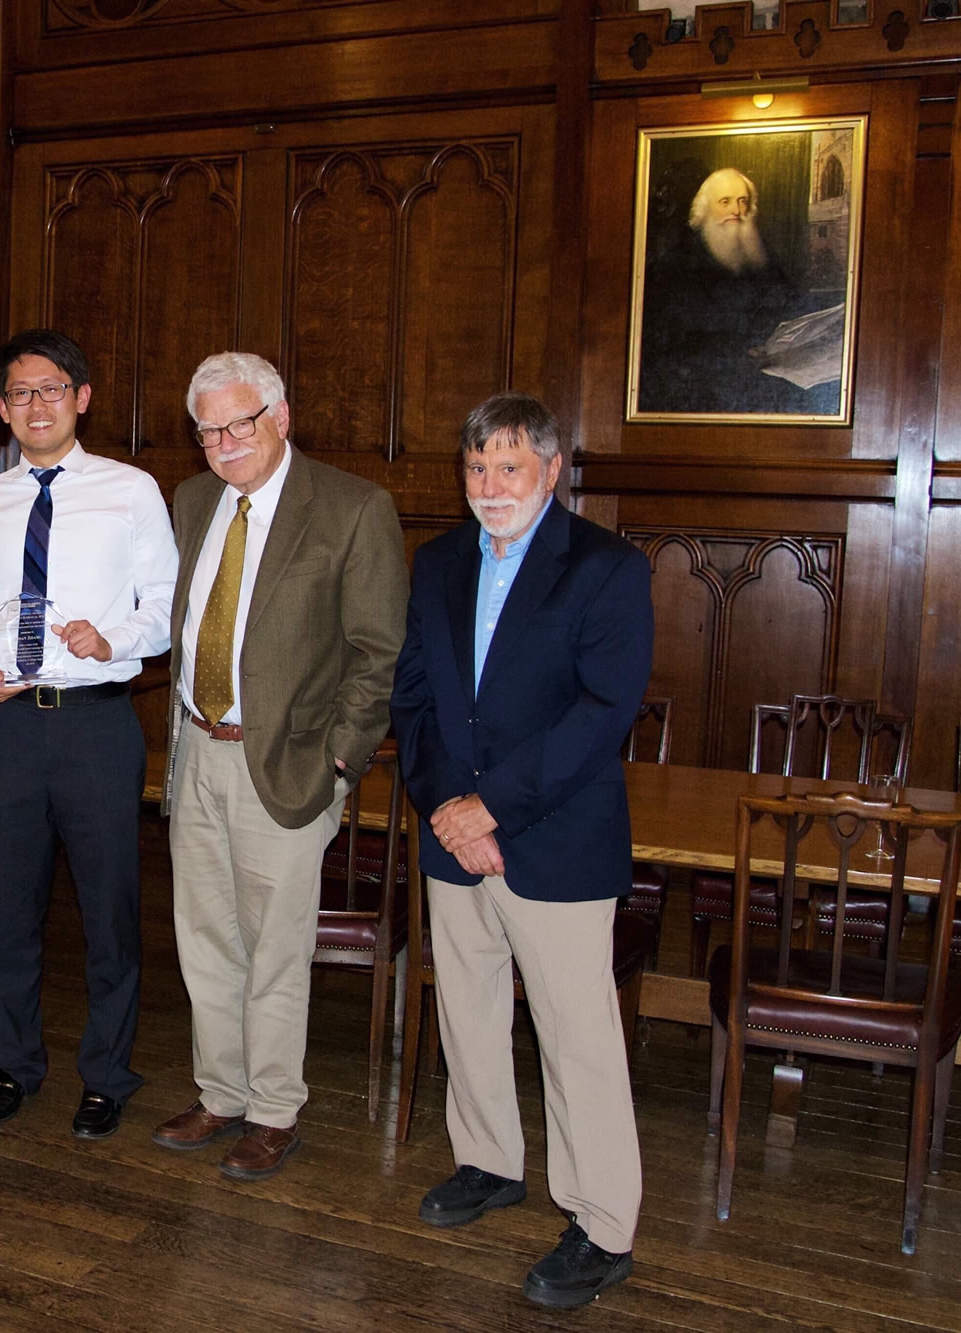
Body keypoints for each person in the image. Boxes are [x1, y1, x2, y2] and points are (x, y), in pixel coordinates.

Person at [390, 391, 653, 1308]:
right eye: (476, 467)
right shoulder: (438, 562)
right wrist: (445, 806)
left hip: (555, 838)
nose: (491, 484)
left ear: (550, 469)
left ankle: (602, 1222)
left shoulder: (606, 568)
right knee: (466, 1010)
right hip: (454, 837)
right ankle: (489, 1161)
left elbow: (601, 713)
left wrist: (490, 808)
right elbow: (413, 698)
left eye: (509, 466)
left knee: (578, 1041)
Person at [150, 352, 406, 1180]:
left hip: (288, 762)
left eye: (239, 423)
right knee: (206, 938)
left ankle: (272, 1108)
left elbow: (378, 653)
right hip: (197, 750)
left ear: (280, 416)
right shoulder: (192, 500)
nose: (223, 443)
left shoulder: (352, 507)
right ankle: (220, 1092)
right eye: (208, 430)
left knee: (275, 947)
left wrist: (338, 756)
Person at [0, 328, 178, 1139]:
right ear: (4, 409)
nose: (35, 405)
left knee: (110, 909)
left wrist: (110, 639)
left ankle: (107, 1073)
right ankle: (14, 1064)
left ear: (81, 397)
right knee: (8, 906)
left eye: (50, 389)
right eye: (19, 393)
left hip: (94, 725)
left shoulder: (131, 490)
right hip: (7, 723)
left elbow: (165, 608)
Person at [636, 166, 834, 416]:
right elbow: (670, 339)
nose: (736, 210)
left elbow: (789, 303)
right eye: (725, 201)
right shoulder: (678, 262)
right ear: (706, 208)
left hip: (765, 374)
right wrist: (737, 351)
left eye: (743, 201)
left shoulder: (759, 255)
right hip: (700, 386)